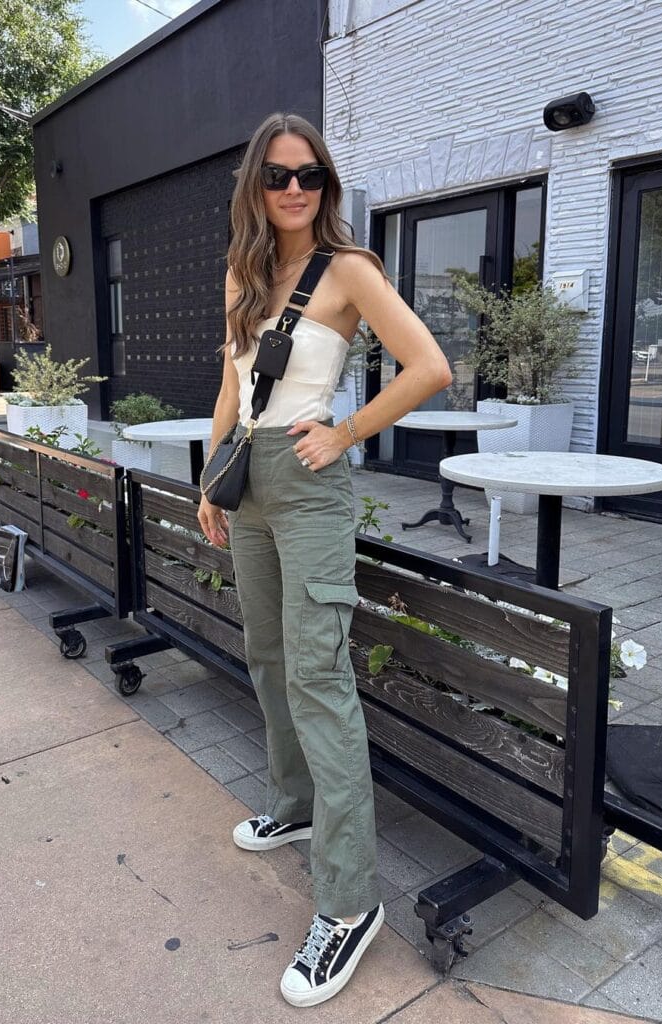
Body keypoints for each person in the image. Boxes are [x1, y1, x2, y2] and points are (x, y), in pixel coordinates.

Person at [197, 112, 452, 1008]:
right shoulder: (242, 271)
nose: (295, 188)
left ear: (326, 183)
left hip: (308, 488)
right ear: (255, 186)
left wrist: (345, 432)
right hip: (248, 482)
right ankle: (295, 805)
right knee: (267, 656)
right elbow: (232, 382)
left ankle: (348, 902)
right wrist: (210, 478)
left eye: (309, 174)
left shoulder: (348, 270)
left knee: (317, 677)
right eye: (278, 175)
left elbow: (429, 367)